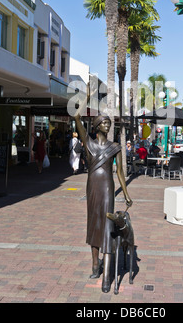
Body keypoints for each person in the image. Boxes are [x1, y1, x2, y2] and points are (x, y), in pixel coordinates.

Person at [74, 111, 132, 294]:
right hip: (92, 186)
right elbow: (76, 117)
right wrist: (87, 98)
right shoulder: (88, 143)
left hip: (107, 187)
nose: (107, 125)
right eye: (104, 122)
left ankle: (106, 275)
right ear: (96, 126)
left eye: (109, 123)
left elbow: (120, 173)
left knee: (106, 226)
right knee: (93, 224)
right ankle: (94, 265)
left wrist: (126, 193)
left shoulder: (115, 147)